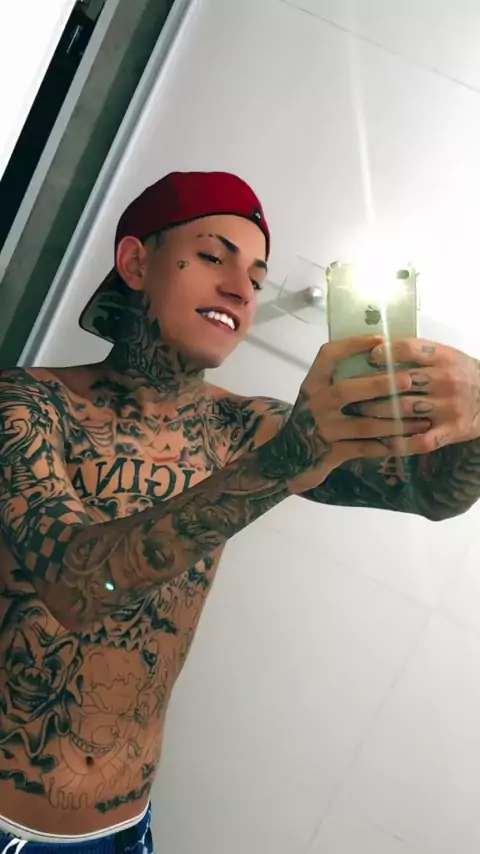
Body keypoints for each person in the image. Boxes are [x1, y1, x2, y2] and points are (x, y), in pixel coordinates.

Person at [1, 170, 479, 852]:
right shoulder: (25, 406)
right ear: (136, 263)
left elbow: (432, 493)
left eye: (256, 277)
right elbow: (77, 588)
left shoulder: (245, 429)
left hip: (125, 829)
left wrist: (474, 415)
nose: (241, 289)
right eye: (213, 256)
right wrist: (284, 463)